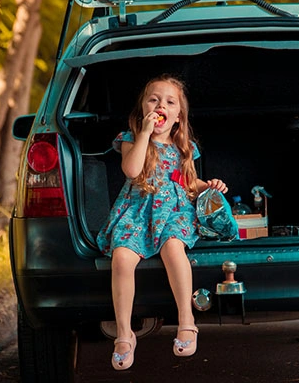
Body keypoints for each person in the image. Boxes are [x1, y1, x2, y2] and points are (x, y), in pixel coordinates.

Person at [97, 73, 229, 371]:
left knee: (173, 247)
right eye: (153, 99)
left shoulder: (185, 148)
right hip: (138, 211)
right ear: (143, 108)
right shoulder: (130, 139)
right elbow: (132, 171)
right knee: (121, 258)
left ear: (178, 116)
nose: (160, 105)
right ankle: (124, 332)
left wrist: (209, 186)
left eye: (169, 102)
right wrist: (144, 133)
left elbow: (187, 183)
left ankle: (187, 320)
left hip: (174, 211)